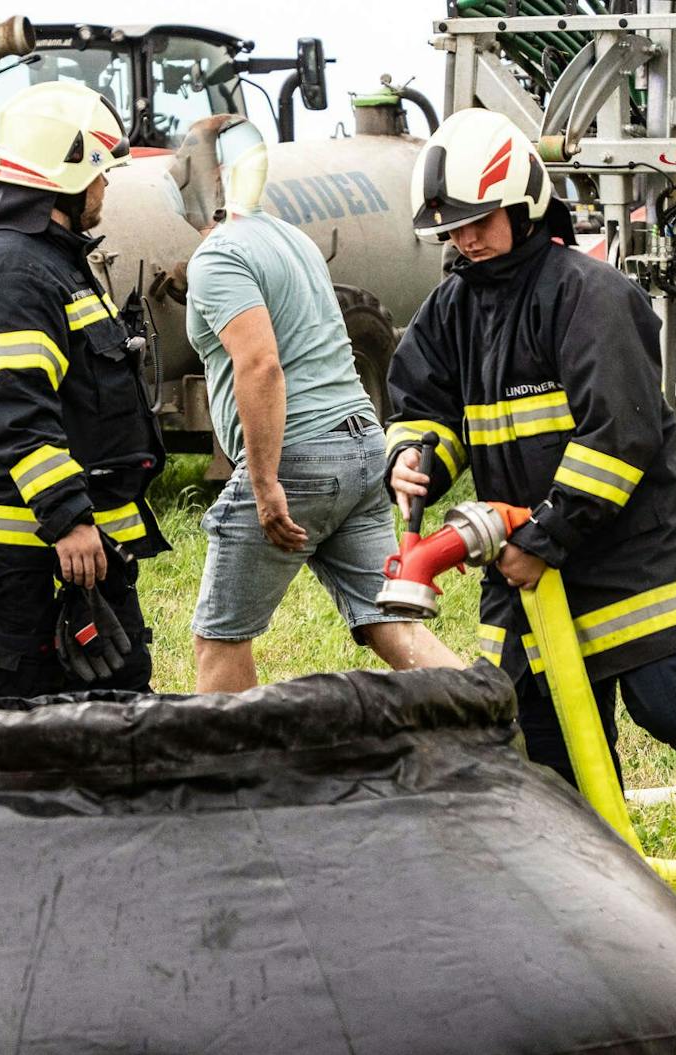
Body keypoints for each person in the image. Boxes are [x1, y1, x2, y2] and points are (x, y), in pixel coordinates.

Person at [385, 109, 676, 880]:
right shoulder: (452, 310)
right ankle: (594, 903)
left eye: (478, 221)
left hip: (627, 555)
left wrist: (545, 536)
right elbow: (423, 409)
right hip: (524, 569)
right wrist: (418, 461)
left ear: (524, 204)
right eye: (452, 229)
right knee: (546, 742)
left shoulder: (587, 294)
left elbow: (619, 435)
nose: (465, 240)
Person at [171, 116, 461, 692]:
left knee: (220, 637)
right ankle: (493, 720)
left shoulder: (219, 256)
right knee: (390, 621)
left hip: (301, 461)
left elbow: (261, 366)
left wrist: (262, 482)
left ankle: (232, 780)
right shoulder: (293, 238)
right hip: (360, 451)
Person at [0, 81, 168, 699]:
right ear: (67, 180)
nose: (106, 188)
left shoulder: (46, 260)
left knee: (114, 704)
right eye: (100, 173)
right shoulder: (13, 271)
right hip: (37, 542)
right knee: (17, 719)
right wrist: (70, 518)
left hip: (73, 540)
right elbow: (14, 410)